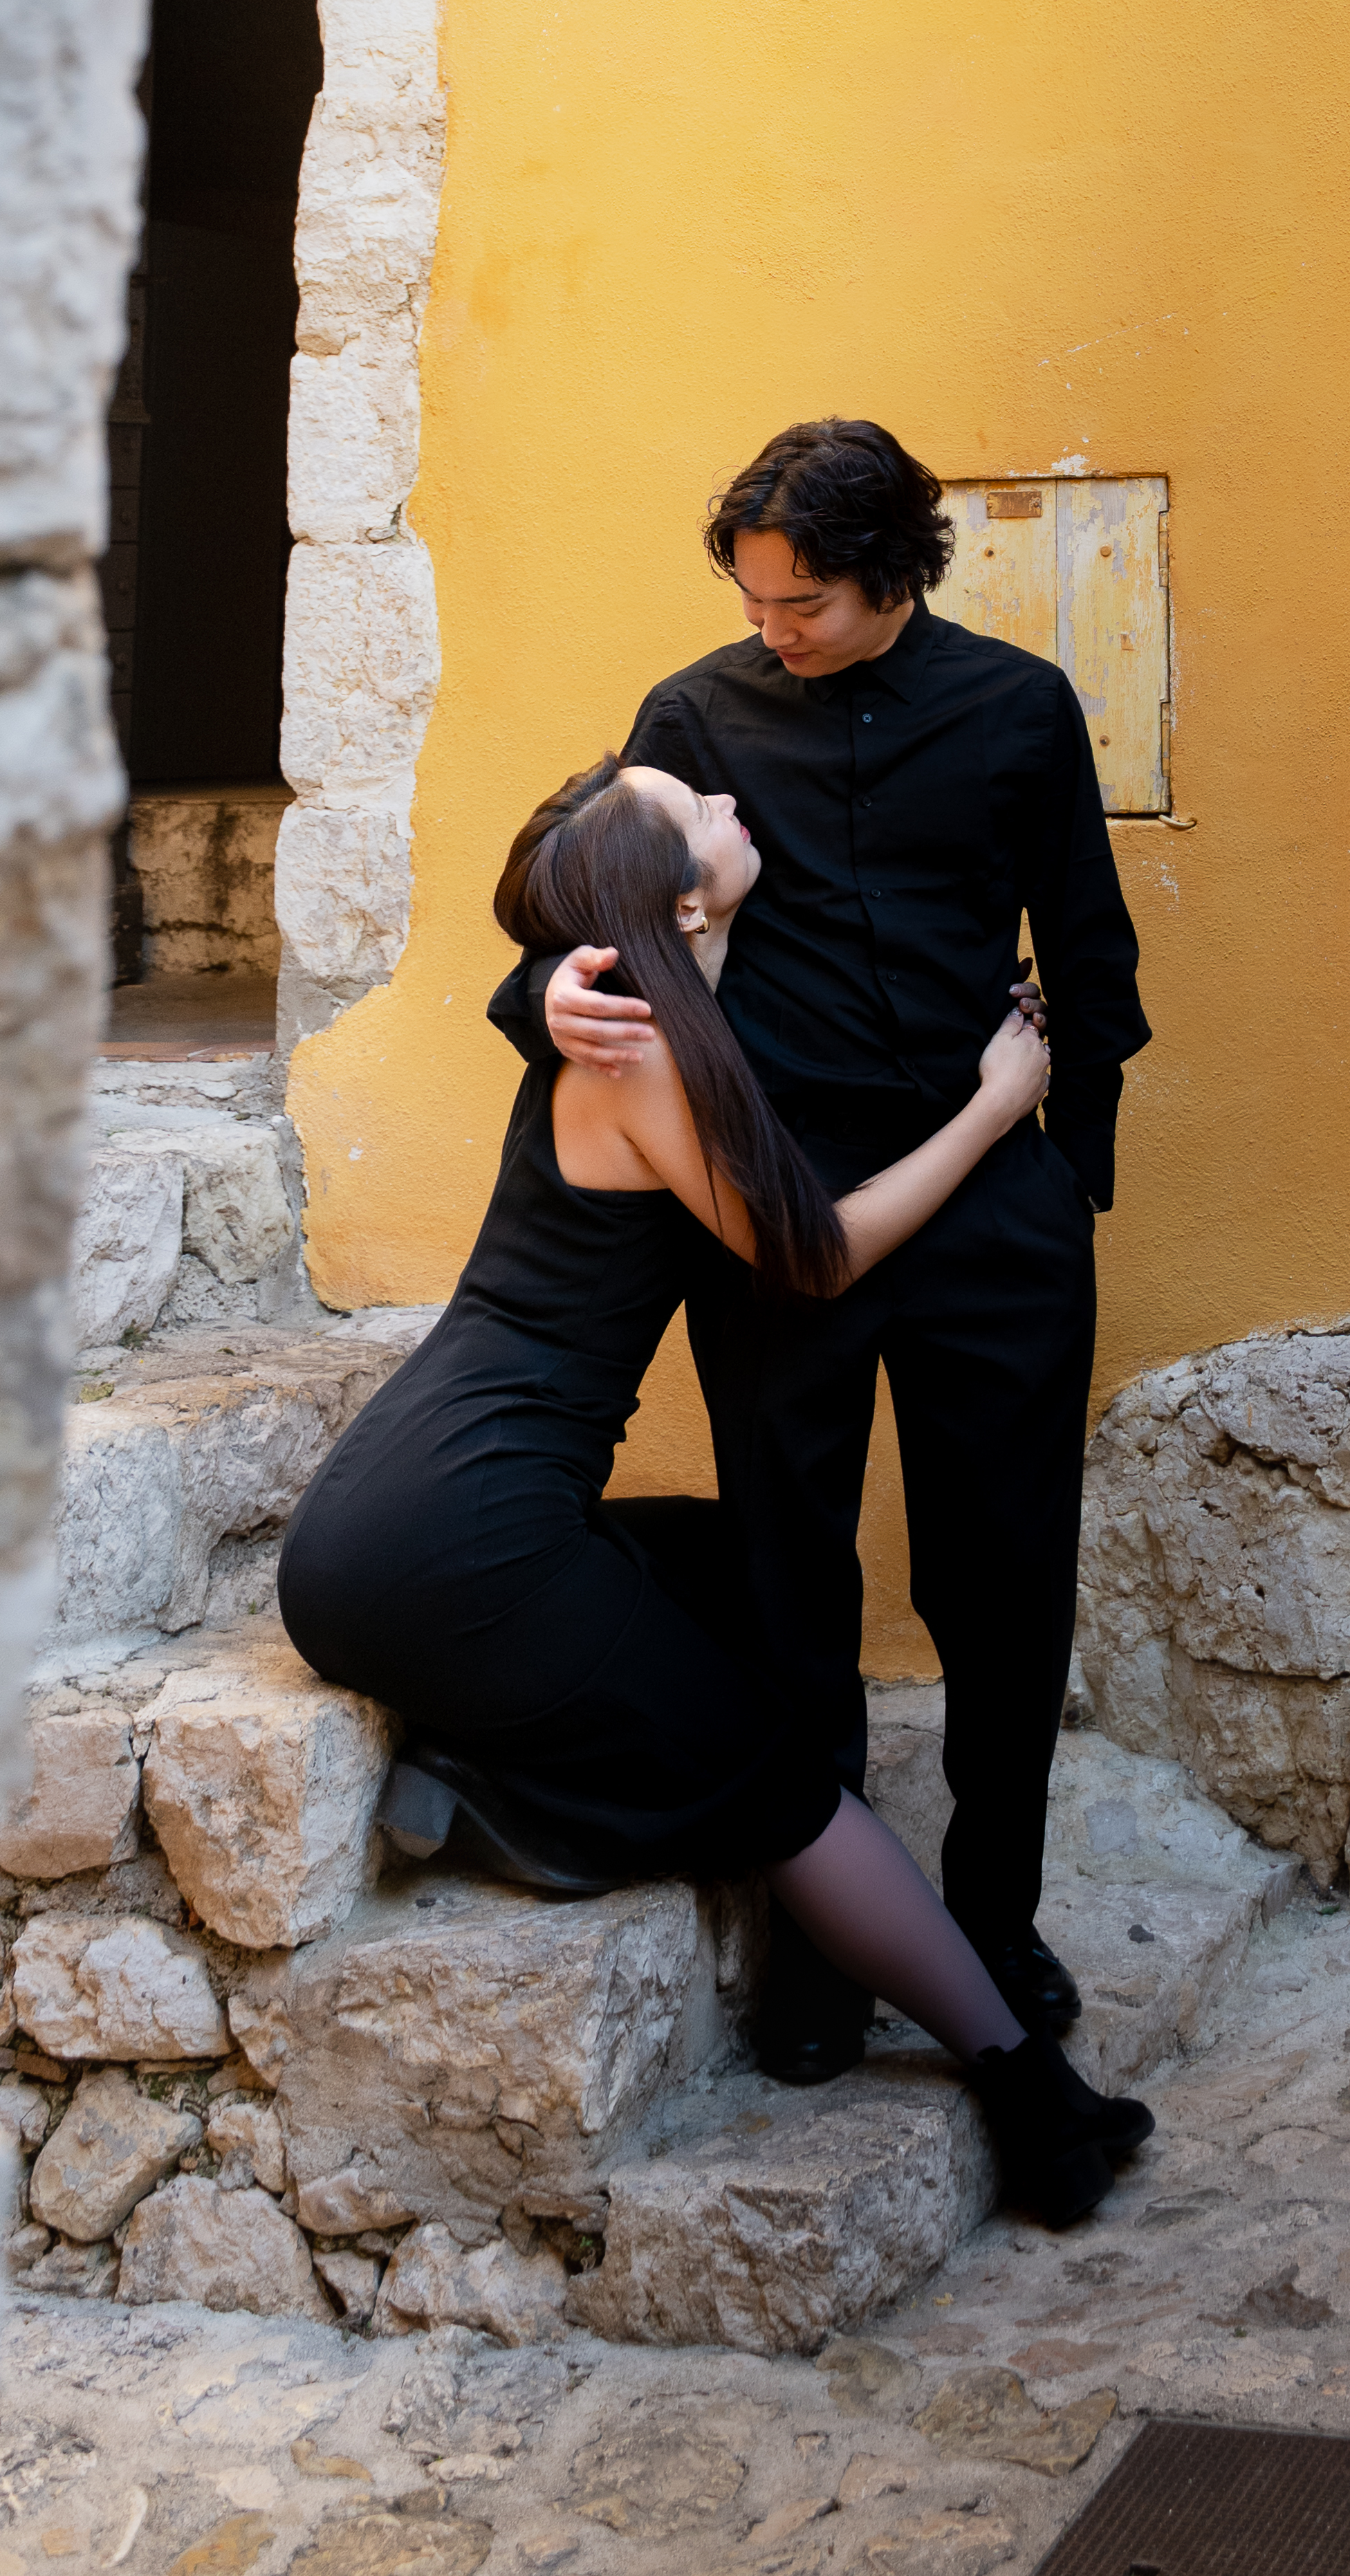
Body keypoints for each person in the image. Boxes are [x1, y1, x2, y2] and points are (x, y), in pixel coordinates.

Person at [278, 761, 1141, 2227]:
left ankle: (505, 1778)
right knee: (784, 1785)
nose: (735, 806)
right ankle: (1028, 2096)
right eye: (704, 815)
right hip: (459, 1539)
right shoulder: (639, 1055)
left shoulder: (647, 1011)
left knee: (756, 1584)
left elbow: (589, 920)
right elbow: (820, 1254)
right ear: (681, 905)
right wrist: (998, 1105)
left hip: (410, 1508)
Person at [506, 418, 1149, 2085]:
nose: (770, 629)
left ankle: (992, 1920)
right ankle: (821, 1951)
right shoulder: (694, 719)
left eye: (802, 604)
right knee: (792, 1577)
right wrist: (554, 995)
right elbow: (585, 901)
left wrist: (1061, 1185)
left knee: (1002, 1584)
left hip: (987, 1205)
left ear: (893, 577)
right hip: (779, 1212)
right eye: (753, 600)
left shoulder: (1019, 708)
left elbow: (1092, 956)